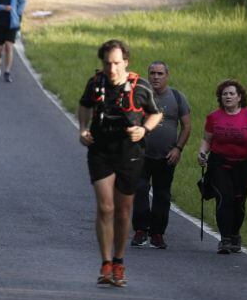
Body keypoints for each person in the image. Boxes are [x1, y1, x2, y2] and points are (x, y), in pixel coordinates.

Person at [77, 39, 162, 287]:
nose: (111, 69)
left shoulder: (140, 87)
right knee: (105, 207)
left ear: (125, 62)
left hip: (130, 151)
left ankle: (119, 260)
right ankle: (105, 264)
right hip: (101, 150)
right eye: (107, 64)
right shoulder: (95, 84)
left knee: (124, 210)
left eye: (116, 63)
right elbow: (84, 106)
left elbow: (156, 113)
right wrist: (82, 129)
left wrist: (144, 129)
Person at [197, 80, 247, 255]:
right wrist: (202, 153)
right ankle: (225, 239)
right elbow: (207, 139)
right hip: (219, 164)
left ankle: (235, 234)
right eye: (224, 94)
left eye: (231, 94)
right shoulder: (214, 117)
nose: (227, 97)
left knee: (239, 201)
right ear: (220, 98)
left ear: (239, 97)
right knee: (224, 198)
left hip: (242, 165)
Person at [130, 61, 191, 249]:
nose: (156, 77)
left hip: (166, 156)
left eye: (160, 73)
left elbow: (186, 126)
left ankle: (157, 233)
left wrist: (178, 149)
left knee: (162, 195)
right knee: (140, 190)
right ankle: (140, 230)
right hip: (142, 155)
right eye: (152, 73)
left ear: (167, 75)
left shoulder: (177, 98)